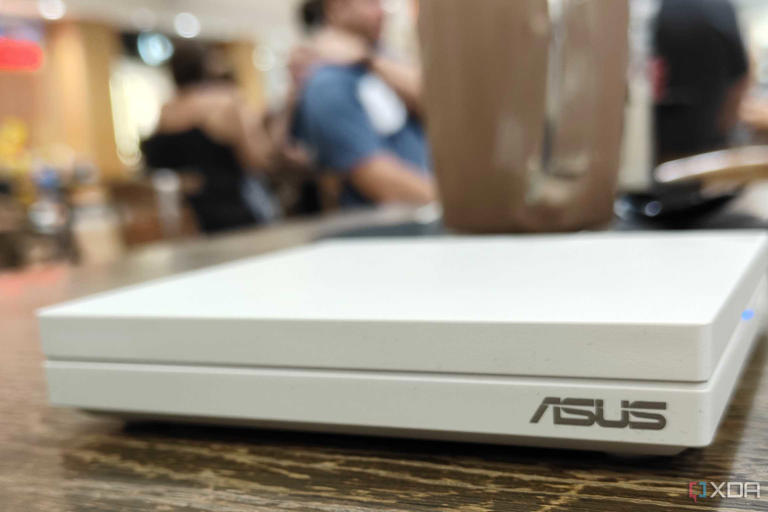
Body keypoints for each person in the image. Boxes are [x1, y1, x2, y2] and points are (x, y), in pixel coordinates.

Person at [290, 0, 435, 208]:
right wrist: (453, 203)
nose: (383, 12)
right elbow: (375, 177)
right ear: (336, 7)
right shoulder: (328, 83)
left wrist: (368, 60)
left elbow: (434, 103)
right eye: (371, 3)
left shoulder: (380, 61)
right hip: (393, 226)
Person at [141, 41, 275, 234]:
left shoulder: (166, 112)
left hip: (186, 219)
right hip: (231, 213)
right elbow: (256, 159)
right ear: (207, 67)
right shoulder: (226, 102)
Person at [653, 0, 750, 163]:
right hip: (706, 145)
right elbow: (741, 76)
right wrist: (725, 128)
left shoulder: (653, 9)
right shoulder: (720, 8)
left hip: (656, 144)